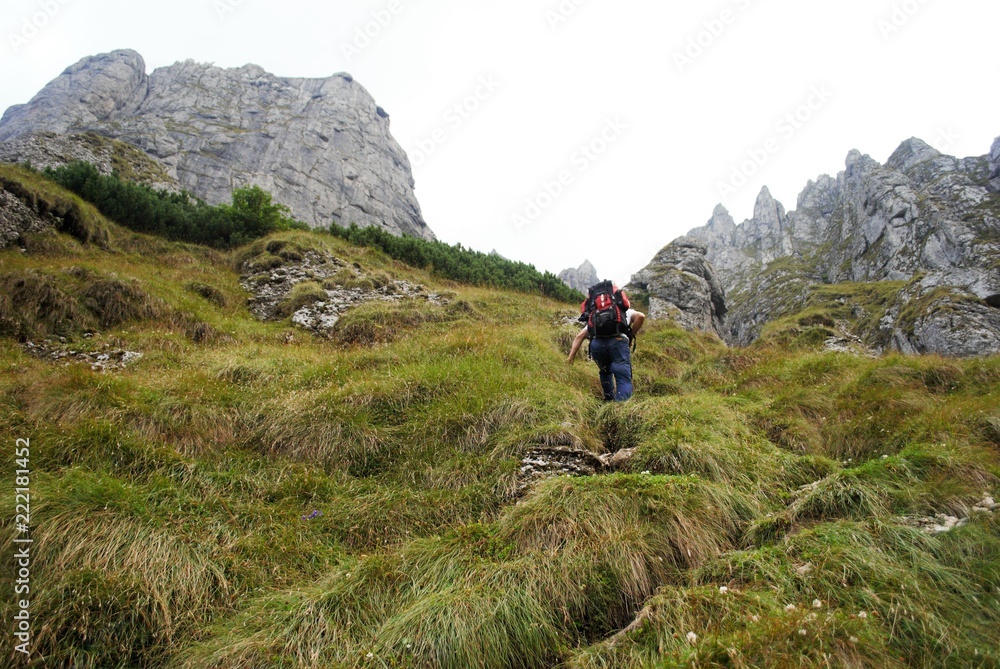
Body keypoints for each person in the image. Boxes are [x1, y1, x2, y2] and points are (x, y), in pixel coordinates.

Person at [566, 283, 645, 402]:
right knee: (623, 377)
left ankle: (608, 400)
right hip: (618, 342)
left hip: (597, 344)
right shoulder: (623, 311)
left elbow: (580, 336)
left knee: (605, 371)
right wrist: (631, 335)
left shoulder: (595, 315)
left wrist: (570, 358)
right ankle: (620, 408)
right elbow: (641, 316)